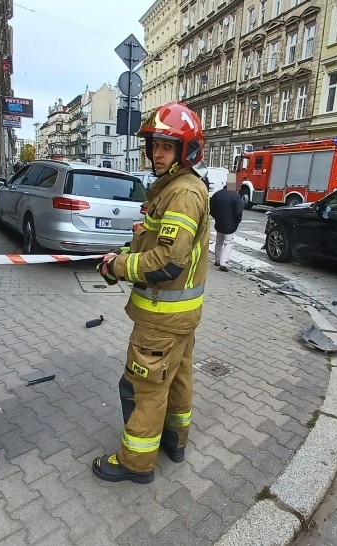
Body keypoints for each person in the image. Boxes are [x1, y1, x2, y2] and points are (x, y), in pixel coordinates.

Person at [93, 101, 210, 484]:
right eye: (154, 145)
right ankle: (174, 441)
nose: (157, 153)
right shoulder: (174, 188)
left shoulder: (183, 193)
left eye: (167, 146)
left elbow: (168, 262)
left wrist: (119, 267)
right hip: (178, 316)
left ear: (185, 150)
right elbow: (152, 245)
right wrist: (120, 258)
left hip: (161, 317)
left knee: (142, 387)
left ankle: (135, 463)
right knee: (175, 379)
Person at [210, 189, 244, 272]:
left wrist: (217, 217)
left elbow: (211, 209)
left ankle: (217, 260)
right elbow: (238, 211)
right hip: (231, 224)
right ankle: (223, 263)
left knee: (219, 242)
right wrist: (237, 221)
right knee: (228, 243)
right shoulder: (236, 196)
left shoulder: (217, 194)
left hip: (219, 222)